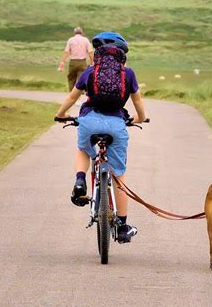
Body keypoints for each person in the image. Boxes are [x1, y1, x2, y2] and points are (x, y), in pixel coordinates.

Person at [55, 31, 147, 244]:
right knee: (119, 176)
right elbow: (139, 105)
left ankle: (79, 180)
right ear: (121, 54)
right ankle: (123, 227)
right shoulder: (128, 74)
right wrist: (140, 119)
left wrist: (60, 115)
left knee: (83, 150)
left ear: (98, 53)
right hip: (116, 125)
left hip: (89, 122)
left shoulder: (89, 72)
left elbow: (72, 97)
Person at [58, 27, 94, 91]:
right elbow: (90, 52)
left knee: (71, 78)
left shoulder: (71, 40)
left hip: (73, 62)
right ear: (81, 32)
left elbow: (66, 51)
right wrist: (92, 62)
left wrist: (62, 62)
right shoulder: (85, 40)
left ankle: (72, 92)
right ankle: (80, 93)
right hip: (82, 62)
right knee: (82, 78)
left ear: (74, 32)